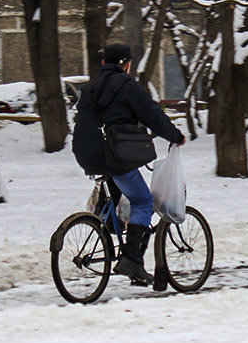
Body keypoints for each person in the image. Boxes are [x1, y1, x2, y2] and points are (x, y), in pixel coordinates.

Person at [72, 43, 185, 285]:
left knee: (117, 187)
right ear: (127, 64)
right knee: (143, 201)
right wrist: (175, 136)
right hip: (114, 154)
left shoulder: (89, 88)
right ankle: (132, 259)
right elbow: (153, 116)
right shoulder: (127, 87)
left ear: (104, 63)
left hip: (85, 155)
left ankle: (109, 226)